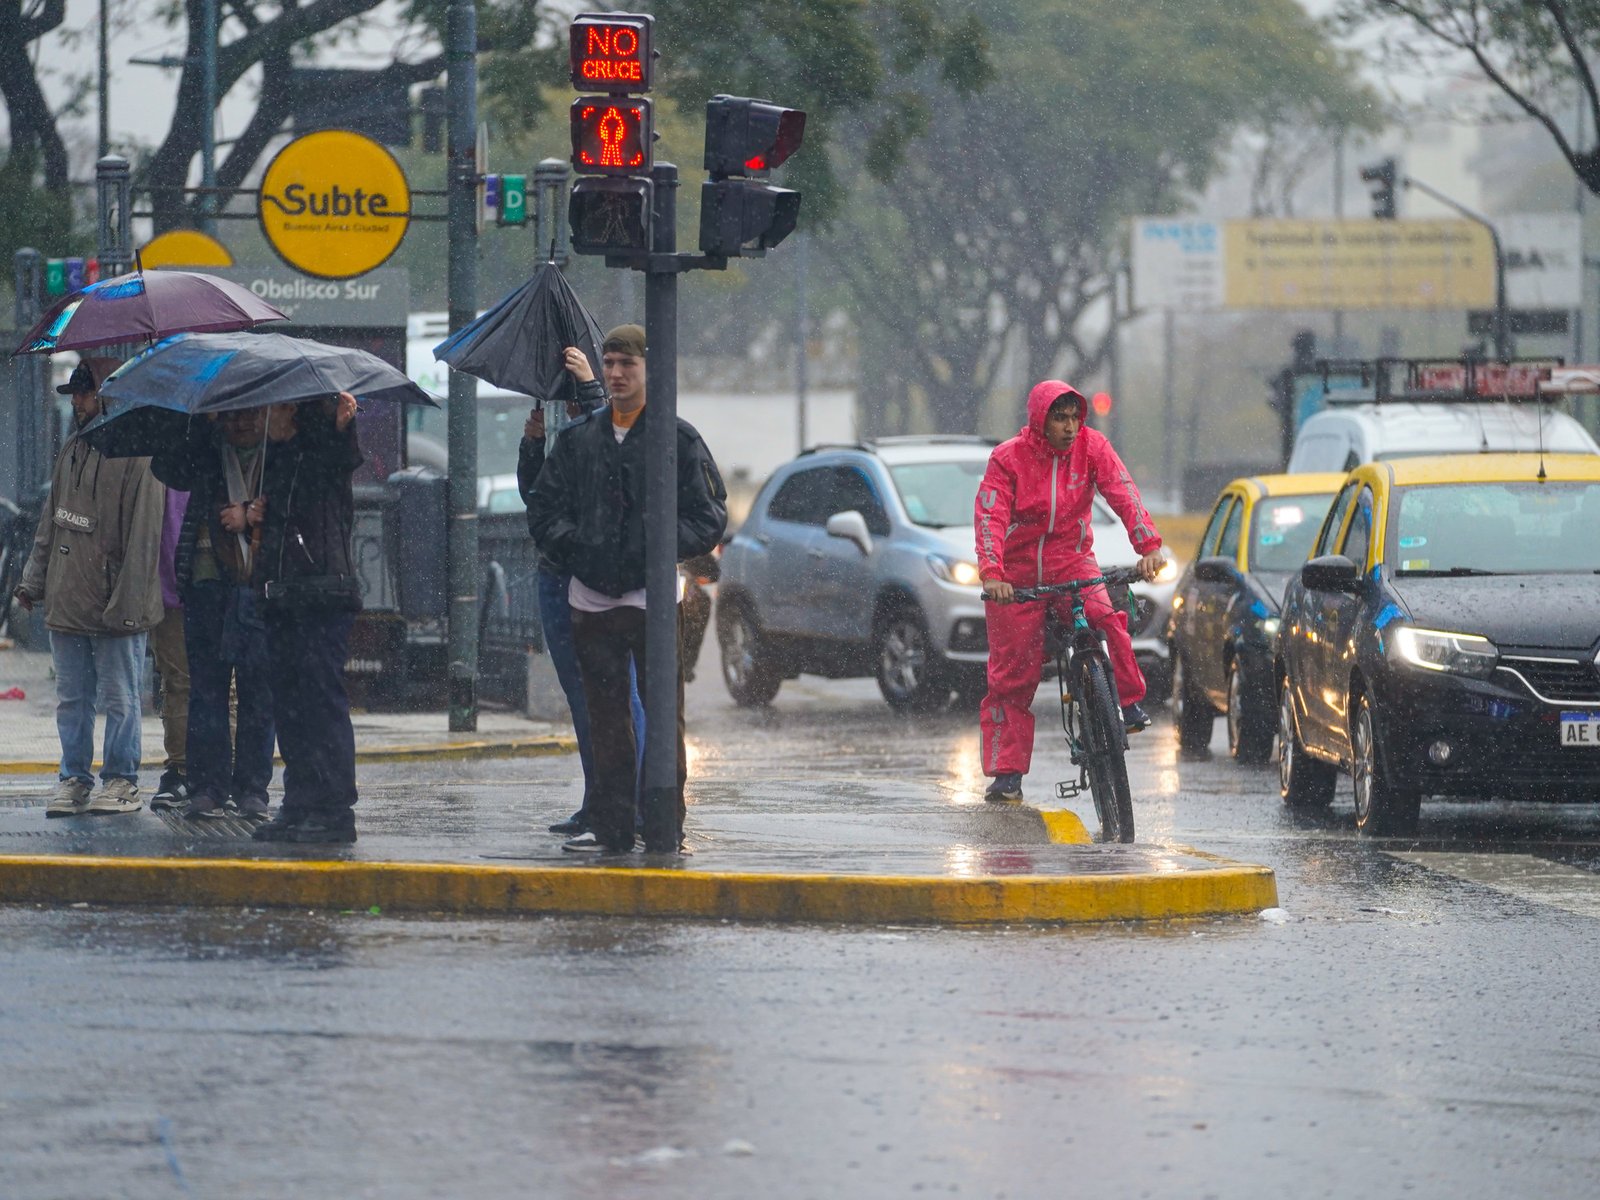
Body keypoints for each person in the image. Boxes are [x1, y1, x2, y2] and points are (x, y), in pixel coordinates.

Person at [527, 324, 728, 853]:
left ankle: (664, 825)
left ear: (648, 370)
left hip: (652, 602)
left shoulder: (676, 438)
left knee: (664, 716)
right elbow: (545, 510)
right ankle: (613, 828)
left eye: (626, 365)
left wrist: (650, 550)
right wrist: (584, 550)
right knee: (606, 718)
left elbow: (708, 516)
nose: (615, 374)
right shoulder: (578, 441)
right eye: (609, 363)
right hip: (591, 602)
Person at [974, 381, 1165, 805]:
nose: (1070, 427)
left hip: (1072, 561)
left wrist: (1148, 546)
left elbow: (1123, 492)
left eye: (1075, 418)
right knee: (1012, 675)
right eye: (1060, 418)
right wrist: (993, 573)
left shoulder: (1093, 447)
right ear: (1040, 421)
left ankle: (1127, 705)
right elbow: (990, 515)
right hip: (1017, 577)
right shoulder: (1007, 459)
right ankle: (1007, 774)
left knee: (1105, 617)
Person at [13, 356, 165, 817]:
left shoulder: (138, 453)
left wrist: (128, 601)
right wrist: (31, 583)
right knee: (74, 699)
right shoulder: (74, 447)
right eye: (75, 393)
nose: (76, 400)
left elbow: (143, 536)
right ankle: (75, 779)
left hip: (113, 599)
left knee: (119, 697)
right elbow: (51, 522)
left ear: (105, 394)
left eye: (83, 391)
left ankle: (121, 780)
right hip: (69, 596)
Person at [517, 347, 646, 839]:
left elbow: (615, 467)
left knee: (613, 696)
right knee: (584, 697)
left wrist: (592, 389)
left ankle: (625, 805)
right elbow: (539, 497)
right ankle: (600, 801)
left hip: (590, 580)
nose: (569, 405)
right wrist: (533, 446)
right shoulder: (570, 439)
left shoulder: (608, 431)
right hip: (559, 576)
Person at [247, 393, 364, 844]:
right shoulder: (277, 457)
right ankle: (299, 802)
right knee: (291, 707)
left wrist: (342, 424)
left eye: (267, 409)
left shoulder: (322, 451)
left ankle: (333, 808)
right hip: (284, 597)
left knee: (320, 704)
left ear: (290, 411)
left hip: (321, 595)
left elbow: (344, 457)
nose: (261, 419)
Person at [150, 408, 277, 821]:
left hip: (259, 586)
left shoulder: (279, 455)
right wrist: (197, 423)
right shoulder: (205, 448)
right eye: (232, 416)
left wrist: (253, 512)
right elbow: (168, 468)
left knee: (258, 690)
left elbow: (297, 504)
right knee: (207, 690)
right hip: (205, 583)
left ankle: (252, 789)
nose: (241, 422)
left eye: (248, 415)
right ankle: (208, 787)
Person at [148, 486, 192, 810]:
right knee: (178, 682)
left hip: (189, 582)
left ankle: (184, 770)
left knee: (178, 683)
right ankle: (183, 768)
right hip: (170, 586)